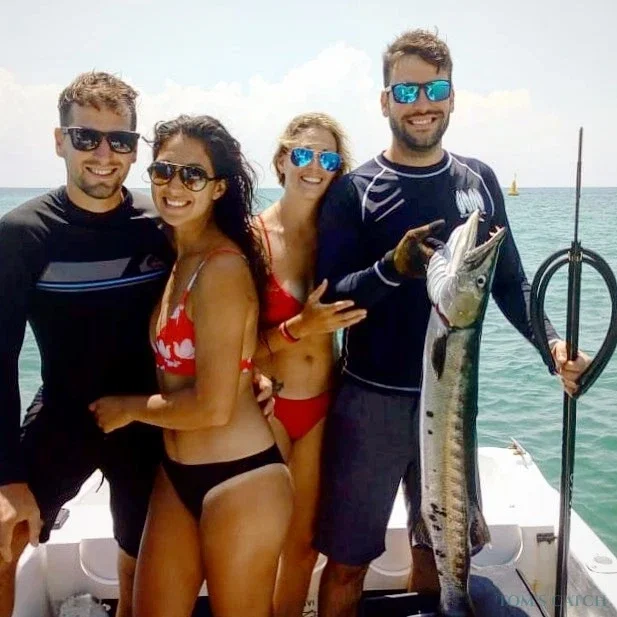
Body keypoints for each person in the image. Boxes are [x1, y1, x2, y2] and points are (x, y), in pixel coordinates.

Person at [313, 29, 591, 617]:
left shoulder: (478, 180)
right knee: (347, 562)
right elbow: (330, 295)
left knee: (441, 554)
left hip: (455, 401)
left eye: (435, 89)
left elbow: (511, 282)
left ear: (453, 97)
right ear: (385, 101)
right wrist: (391, 269)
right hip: (372, 402)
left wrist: (554, 347)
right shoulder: (355, 190)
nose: (422, 103)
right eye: (407, 90)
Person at [89, 114, 293, 617]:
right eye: (163, 171)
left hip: (241, 479)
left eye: (193, 175)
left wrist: (127, 408)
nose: (175, 185)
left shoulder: (220, 268)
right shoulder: (178, 254)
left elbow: (212, 408)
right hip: (175, 474)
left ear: (218, 188)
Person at [0, 72, 175, 617]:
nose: (104, 154)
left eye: (120, 140)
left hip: (144, 419)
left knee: (140, 559)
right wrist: (7, 479)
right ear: (60, 141)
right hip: (63, 416)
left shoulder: (161, 224)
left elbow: (212, 306)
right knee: (3, 542)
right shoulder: (22, 234)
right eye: (86, 138)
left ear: (135, 149)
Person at [253, 113, 366, 617]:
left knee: (302, 550)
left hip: (323, 406)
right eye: (302, 154)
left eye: (328, 159)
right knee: (258, 548)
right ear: (282, 160)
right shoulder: (254, 238)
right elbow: (232, 348)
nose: (314, 167)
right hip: (268, 409)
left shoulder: (339, 239)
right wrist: (300, 327)